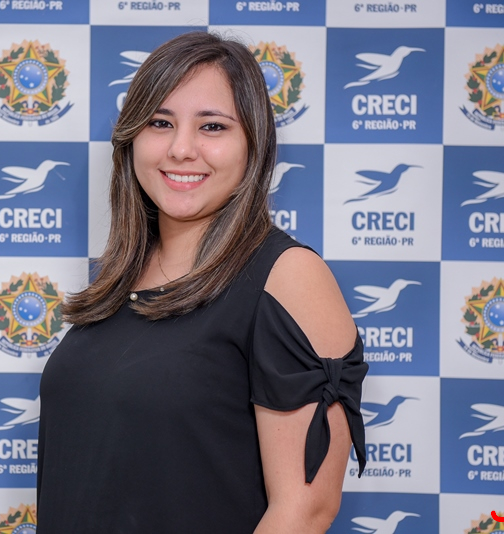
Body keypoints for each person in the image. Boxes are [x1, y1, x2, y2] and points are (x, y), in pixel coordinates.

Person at [37, 31, 367, 533]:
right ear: (132, 138)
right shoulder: (123, 277)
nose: (181, 148)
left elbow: (305, 510)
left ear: (253, 144)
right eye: (160, 123)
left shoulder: (287, 275)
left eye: (212, 126)